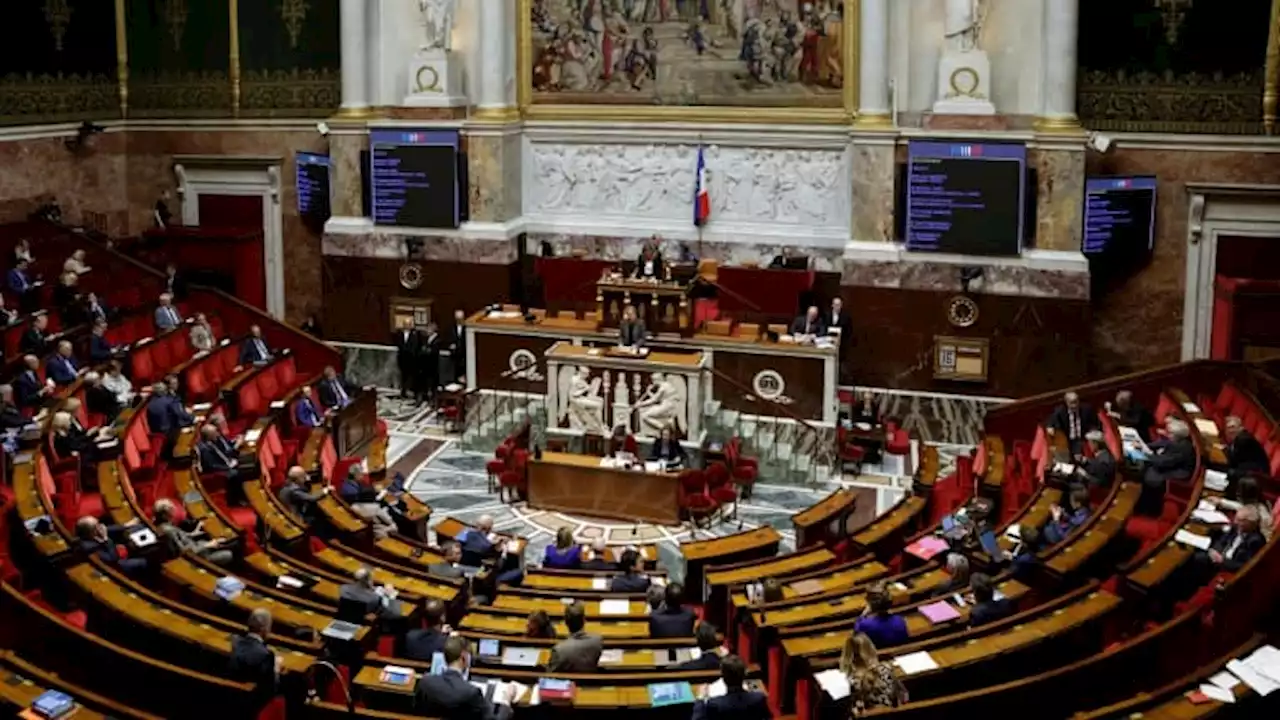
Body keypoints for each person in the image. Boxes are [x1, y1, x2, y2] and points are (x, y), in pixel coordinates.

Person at [414, 635, 514, 719]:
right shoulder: (472, 692)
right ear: (464, 657)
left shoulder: (425, 681)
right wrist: (506, 700)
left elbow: (416, 708)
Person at [1139, 418, 1196, 516]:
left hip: (1178, 473)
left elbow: (1163, 462)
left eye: (1169, 433)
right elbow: (1163, 443)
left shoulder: (1181, 447)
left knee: (1150, 477)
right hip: (1170, 464)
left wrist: (1147, 455)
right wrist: (1145, 446)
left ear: (1177, 435)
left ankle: (1149, 509)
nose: (1167, 434)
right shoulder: (1176, 440)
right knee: (1147, 470)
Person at [840, 632, 907, 714]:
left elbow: (854, 710)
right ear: (871, 649)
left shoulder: (851, 681)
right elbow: (904, 696)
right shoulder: (885, 670)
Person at [154, 498, 233, 565]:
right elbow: (183, 553)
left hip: (197, 547)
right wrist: (208, 545)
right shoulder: (168, 531)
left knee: (226, 541)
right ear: (164, 515)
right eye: (171, 510)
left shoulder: (165, 525)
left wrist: (196, 531)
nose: (174, 511)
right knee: (230, 553)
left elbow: (183, 536)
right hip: (197, 557)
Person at [691, 654, 770, 720]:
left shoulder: (714, 704)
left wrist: (700, 698)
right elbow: (767, 717)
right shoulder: (759, 697)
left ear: (724, 679)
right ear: (744, 675)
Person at [229, 609, 281, 701]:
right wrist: (276, 670)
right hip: (250, 701)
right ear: (264, 629)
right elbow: (272, 689)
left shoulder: (234, 642)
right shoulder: (266, 655)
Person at [74, 516, 147, 574]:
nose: (101, 526)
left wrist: (126, 525)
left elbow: (107, 529)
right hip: (114, 568)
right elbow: (113, 559)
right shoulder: (90, 547)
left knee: (137, 529)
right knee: (143, 561)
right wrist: (106, 539)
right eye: (98, 525)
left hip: (114, 554)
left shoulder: (91, 534)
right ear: (92, 532)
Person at [1208, 476, 1275, 541]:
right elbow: (1239, 506)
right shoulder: (1255, 502)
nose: (1237, 494)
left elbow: (1268, 538)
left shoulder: (1263, 515)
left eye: (1239, 492)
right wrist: (1221, 501)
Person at [548, 601, 602, 672]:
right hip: (590, 682)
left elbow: (550, 675)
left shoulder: (559, 650)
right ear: (584, 620)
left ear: (566, 622)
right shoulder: (597, 641)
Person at [853, 583, 907, 648]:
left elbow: (855, 636)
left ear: (870, 604)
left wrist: (862, 615)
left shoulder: (864, 624)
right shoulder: (900, 620)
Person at [1046, 391, 1100, 456]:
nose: (1075, 405)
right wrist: (1049, 426)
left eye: (1076, 401)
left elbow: (1095, 423)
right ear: (1066, 402)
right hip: (1068, 441)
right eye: (1072, 403)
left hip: (1083, 439)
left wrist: (1092, 431)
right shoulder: (1060, 411)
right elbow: (1051, 420)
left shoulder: (1086, 409)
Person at [1223, 415, 1270, 480]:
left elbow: (1233, 462)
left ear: (1241, 428)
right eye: (1228, 428)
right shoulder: (1238, 438)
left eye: (1233, 427)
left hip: (1256, 476)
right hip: (1246, 470)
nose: (1230, 430)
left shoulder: (1244, 440)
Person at [393, 321, 419, 399]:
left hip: (411, 359)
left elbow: (415, 346)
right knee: (403, 376)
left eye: (409, 325)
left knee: (412, 377)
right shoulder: (399, 334)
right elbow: (398, 344)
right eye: (406, 324)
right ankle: (403, 392)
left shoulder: (415, 335)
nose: (407, 326)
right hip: (402, 358)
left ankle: (412, 392)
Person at [417, 323, 441, 404]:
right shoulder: (426, 339)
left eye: (428, 329)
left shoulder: (437, 340)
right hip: (425, 365)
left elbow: (432, 352)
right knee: (424, 382)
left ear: (433, 330)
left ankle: (433, 399)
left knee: (432, 383)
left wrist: (426, 350)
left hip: (432, 366)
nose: (426, 331)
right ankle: (425, 396)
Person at [449, 308, 466, 381]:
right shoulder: (451, 328)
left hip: (465, 355)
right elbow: (448, 339)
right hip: (454, 355)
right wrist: (451, 345)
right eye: (457, 318)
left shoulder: (466, 328)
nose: (459, 320)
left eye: (461, 318)